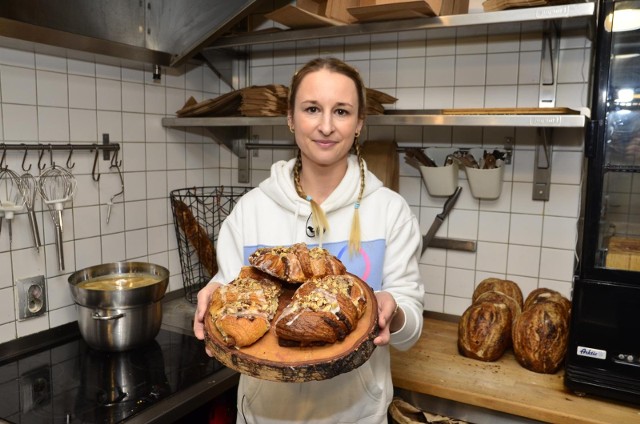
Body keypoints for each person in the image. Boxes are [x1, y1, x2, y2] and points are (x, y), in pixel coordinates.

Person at [193, 57, 424, 424]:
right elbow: (230, 288)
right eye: (312, 109)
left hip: (357, 414)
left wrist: (393, 311)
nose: (326, 126)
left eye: (342, 111)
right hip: (265, 415)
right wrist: (212, 292)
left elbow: (410, 328)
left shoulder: (389, 210)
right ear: (290, 117)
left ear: (360, 122)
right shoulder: (252, 209)